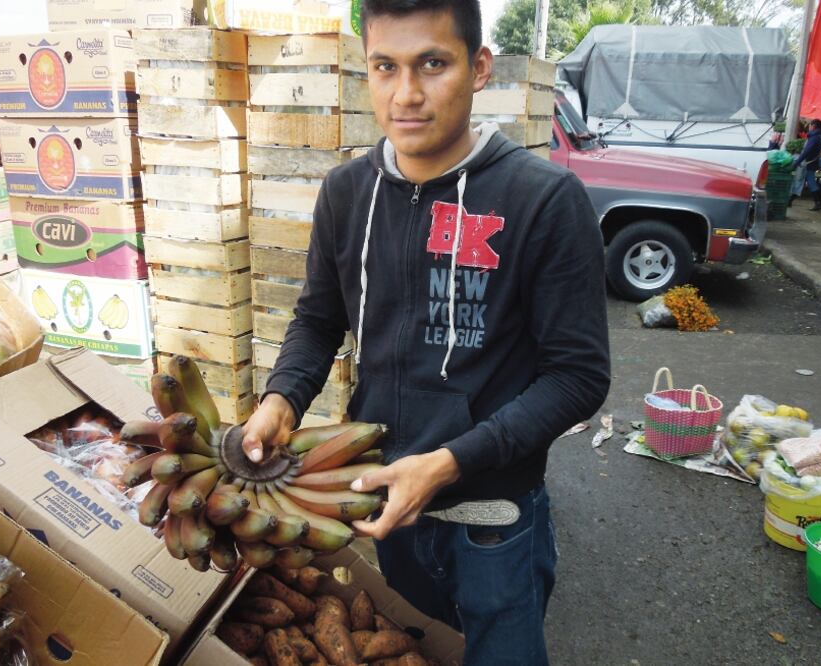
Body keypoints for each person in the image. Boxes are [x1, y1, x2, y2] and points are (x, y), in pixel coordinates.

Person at [240, 1, 611, 663]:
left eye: (433, 64)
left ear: (479, 69)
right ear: (368, 71)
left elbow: (578, 377)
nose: (406, 94)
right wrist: (281, 400)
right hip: (385, 514)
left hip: (492, 525)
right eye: (386, 67)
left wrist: (448, 464)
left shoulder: (544, 201)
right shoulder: (347, 194)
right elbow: (318, 321)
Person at [792, 118, 821, 211]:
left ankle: (818, 203)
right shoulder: (816, 136)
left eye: (810, 125)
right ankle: (819, 202)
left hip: (810, 163)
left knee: (809, 182)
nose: (809, 127)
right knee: (808, 181)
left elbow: (806, 151)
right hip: (811, 162)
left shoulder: (814, 137)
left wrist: (797, 162)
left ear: (813, 126)